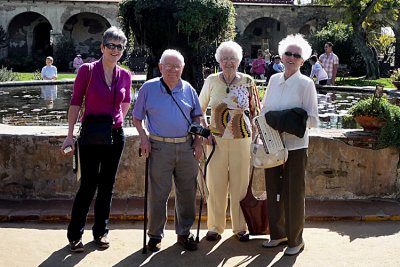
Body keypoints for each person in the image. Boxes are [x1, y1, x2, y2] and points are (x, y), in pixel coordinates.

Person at [61, 26, 132, 252]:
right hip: (91, 133)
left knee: (107, 186)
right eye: (110, 45)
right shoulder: (87, 70)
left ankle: (101, 232)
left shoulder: (125, 75)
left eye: (119, 47)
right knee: (88, 185)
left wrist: (117, 118)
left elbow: (126, 101)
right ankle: (75, 235)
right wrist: (70, 135)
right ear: (102, 47)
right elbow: (75, 102)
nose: (115, 50)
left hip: (115, 134)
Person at [133, 49, 203, 252]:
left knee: (187, 192)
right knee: (158, 193)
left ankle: (184, 232)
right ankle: (155, 235)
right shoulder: (149, 88)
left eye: (177, 66)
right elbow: (137, 118)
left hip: (186, 146)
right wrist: (144, 138)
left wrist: (198, 142)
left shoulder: (188, 88)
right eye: (168, 66)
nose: (173, 70)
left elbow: (197, 117)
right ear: (160, 67)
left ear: (183, 68)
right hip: (158, 147)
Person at [260, 34, 318, 256]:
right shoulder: (274, 79)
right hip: (273, 145)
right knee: (273, 190)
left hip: (295, 147)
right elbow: (265, 109)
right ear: (281, 56)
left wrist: (287, 121)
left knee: (294, 193)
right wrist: (263, 128)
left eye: (297, 55)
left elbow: (313, 119)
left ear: (303, 61)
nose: (291, 58)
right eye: (288, 54)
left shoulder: (306, 84)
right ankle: (278, 234)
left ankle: (295, 240)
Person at [199, 41, 261, 243]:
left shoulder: (248, 81)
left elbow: (256, 112)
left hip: (242, 139)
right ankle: (215, 227)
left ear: (239, 60)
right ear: (219, 61)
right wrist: (205, 129)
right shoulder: (211, 80)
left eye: (232, 58)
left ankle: (240, 228)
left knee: (240, 185)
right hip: (215, 140)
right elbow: (199, 109)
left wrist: (256, 136)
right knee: (215, 184)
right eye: (224, 58)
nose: (228, 62)